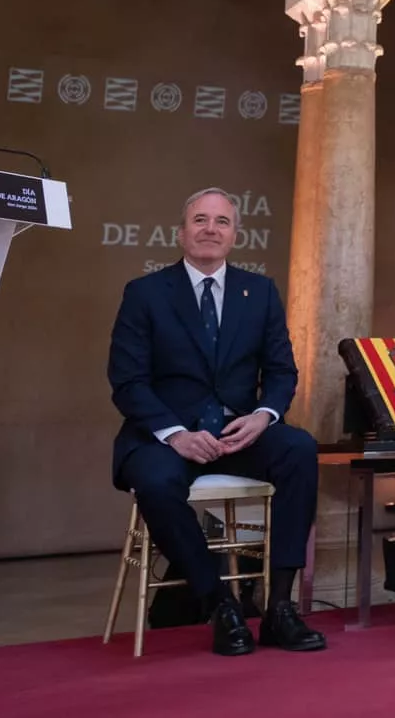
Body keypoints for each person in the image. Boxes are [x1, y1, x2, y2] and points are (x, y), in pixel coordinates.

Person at [108, 189, 325, 656]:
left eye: (221, 222)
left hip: (237, 433)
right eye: (200, 220)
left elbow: (283, 372)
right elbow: (127, 381)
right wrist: (176, 434)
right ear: (181, 233)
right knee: (154, 481)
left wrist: (264, 417)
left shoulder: (260, 291)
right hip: (166, 436)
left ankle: (280, 608)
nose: (211, 229)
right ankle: (219, 603)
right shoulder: (145, 293)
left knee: (300, 449)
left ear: (234, 234)